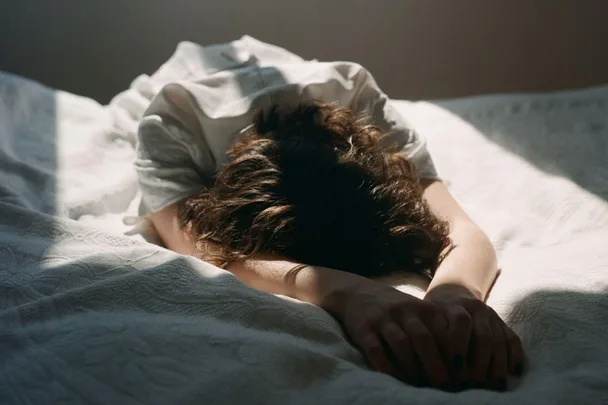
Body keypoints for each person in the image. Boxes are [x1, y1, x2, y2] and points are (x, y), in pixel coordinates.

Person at [134, 57, 524, 391]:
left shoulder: (353, 92)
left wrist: (456, 296)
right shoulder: (171, 120)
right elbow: (199, 246)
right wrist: (343, 291)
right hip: (184, 71)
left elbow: (457, 225)